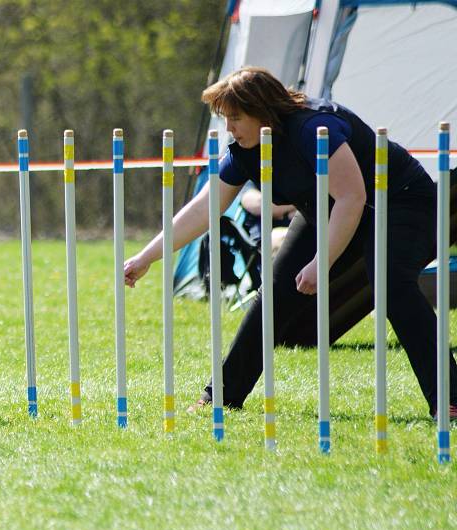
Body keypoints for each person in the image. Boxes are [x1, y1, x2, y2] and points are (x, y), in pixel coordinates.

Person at [123, 66, 457, 419]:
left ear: (262, 111)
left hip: (401, 203)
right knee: (275, 294)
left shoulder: (314, 129)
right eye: (225, 119)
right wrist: (147, 257)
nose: (229, 128)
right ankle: (221, 397)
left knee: (391, 285)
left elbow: (352, 197)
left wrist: (321, 262)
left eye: (235, 118)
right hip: (327, 209)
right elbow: (206, 207)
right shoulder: (244, 149)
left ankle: (450, 398)